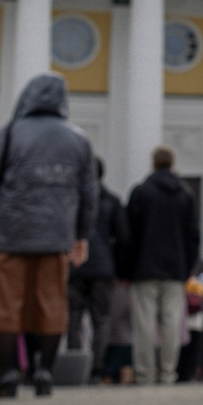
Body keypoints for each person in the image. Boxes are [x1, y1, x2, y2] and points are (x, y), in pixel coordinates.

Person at [0, 73, 96, 399]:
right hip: (56, 237)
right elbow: (88, 194)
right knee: (51, 305)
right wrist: (81, 235)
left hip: (9, 235)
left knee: (6, 305)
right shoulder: (79, 140)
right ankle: (44, 372)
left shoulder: (7, 135)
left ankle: (7, 374)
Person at [115, 145, 200, 385]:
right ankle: (168, 373)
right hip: (175, 270)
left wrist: (124, 269)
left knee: (144, 325)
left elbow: (127, 235)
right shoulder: (185, 195)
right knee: (172, 323)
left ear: (153, 163)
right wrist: (189, 266)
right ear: (172, 164)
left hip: (143, 269)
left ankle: (145, 374)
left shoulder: (140, 192)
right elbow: (193, 235)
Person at [67, 158, 122, 383]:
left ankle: (72, 367)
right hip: (103, 269)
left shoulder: (70, 200)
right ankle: (97, 370)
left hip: (75, 267)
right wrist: (117, 267)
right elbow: (123, 237)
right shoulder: (112, 201)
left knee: (73, 319)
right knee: (101, 320)